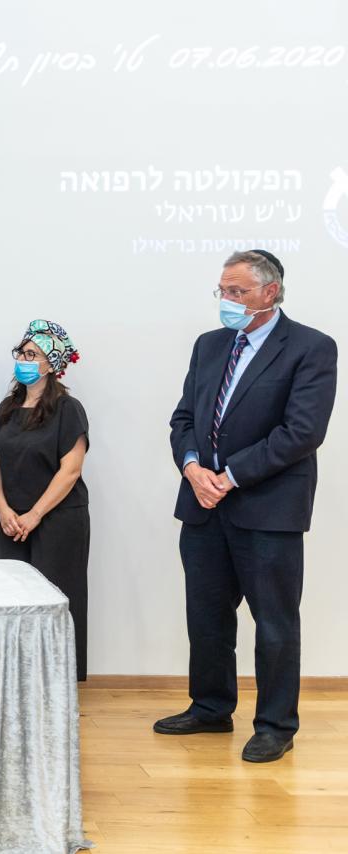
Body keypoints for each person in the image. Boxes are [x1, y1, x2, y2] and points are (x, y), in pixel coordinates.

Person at [155, 250, 337, 763]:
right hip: (203, 505)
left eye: (237, 292)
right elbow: (184, 418)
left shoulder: (311, 347)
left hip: (268, 509)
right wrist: (193, 467)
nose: (227, 301)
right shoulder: (209, 345)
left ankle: (276, 725)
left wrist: (229, 476)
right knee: (207, 617)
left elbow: (302, 432)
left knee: (274, 623)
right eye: (223, 291)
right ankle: (210, 708)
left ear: (269, 292)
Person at [0, 320, 89, 680]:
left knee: (56, 599)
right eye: (21, 353)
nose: (23, 360)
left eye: (32, 355)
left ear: (51, 364)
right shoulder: (8, 407)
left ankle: (57, 680)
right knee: (12, 601)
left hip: (58, 520)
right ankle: (17, 679)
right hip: (11, 522)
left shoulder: (68, 408)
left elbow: (70, 470)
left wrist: (35, 515)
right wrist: (3, 510)